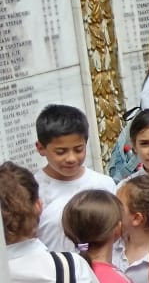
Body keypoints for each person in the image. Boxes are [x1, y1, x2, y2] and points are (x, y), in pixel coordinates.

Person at [34, 104, 118, 252]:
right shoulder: (34, 190)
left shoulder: (103, 184)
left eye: (78, 149)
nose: (71, 158)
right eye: (61, 152)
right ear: (41, 148)